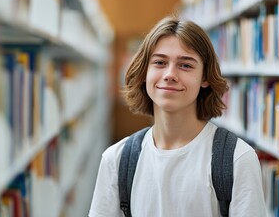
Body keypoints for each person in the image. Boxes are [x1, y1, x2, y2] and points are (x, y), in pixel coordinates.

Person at [89, 16, 266, 216]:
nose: (170, 74)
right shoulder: (116, 160)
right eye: (160, 62)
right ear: (144, 72)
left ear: (205, 78)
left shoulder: (238, 159)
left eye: (186, 65)